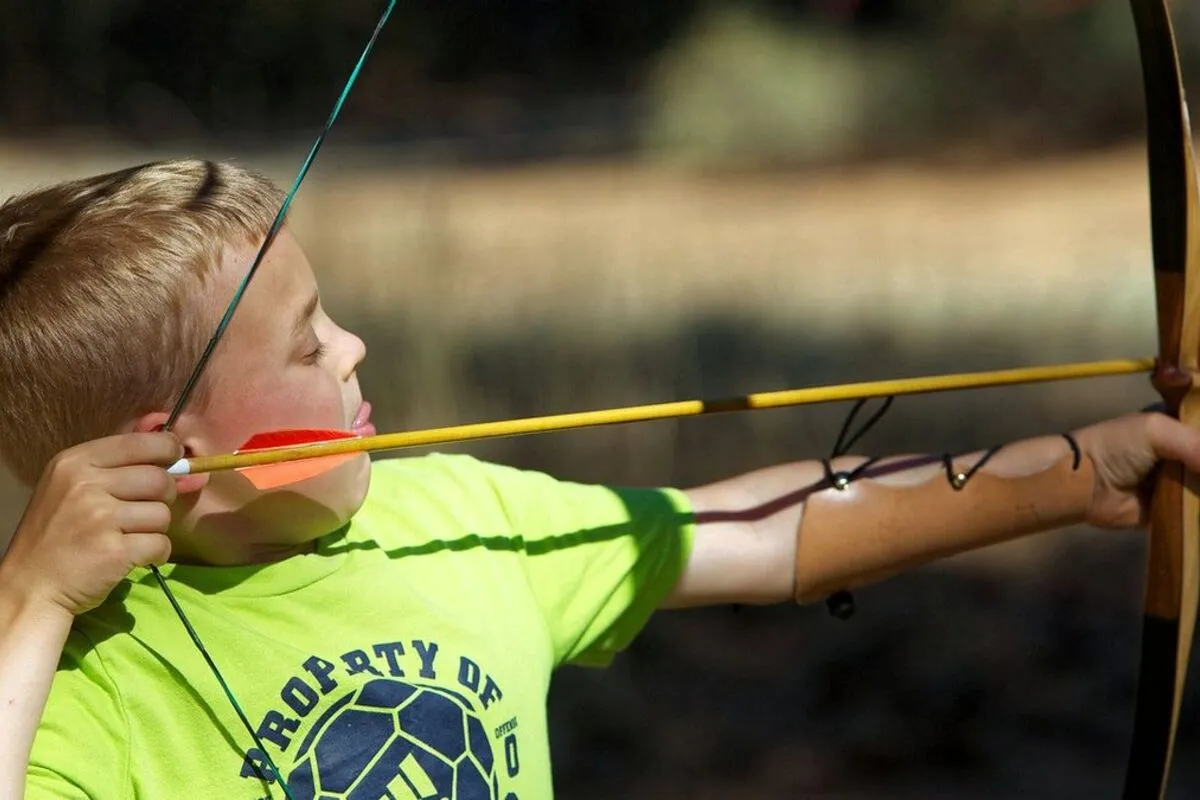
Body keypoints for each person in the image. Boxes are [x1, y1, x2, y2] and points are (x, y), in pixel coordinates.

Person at [0, 160, 1195, 800]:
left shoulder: (456, 517)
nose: (354, 347)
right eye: (308, 344)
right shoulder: (88, 681)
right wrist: (32, 599)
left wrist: (1075, 472)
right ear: (175, 454)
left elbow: (756, 530)